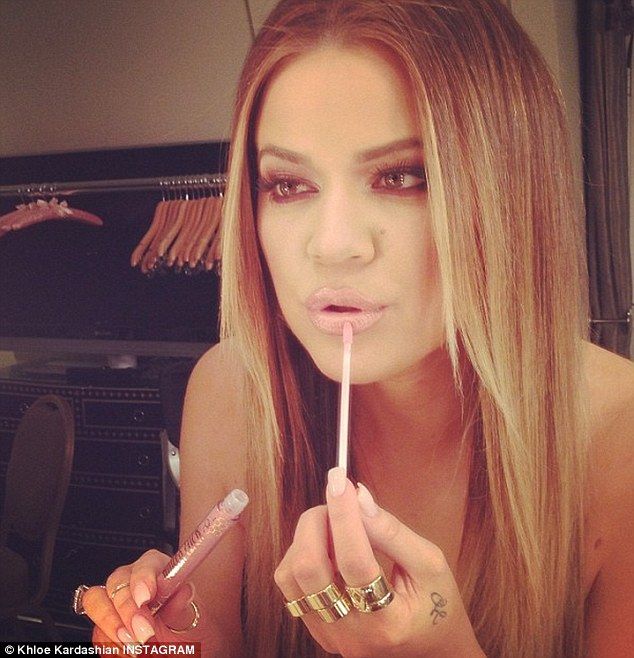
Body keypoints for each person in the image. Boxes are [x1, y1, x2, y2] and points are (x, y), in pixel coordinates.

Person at [77, 0, 634, 656]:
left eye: (403, 177)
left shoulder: (617, 437)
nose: (334, 246)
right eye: (287, 184)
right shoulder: (231, 391)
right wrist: (169, 637)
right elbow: (217, 632)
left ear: (506, 192)